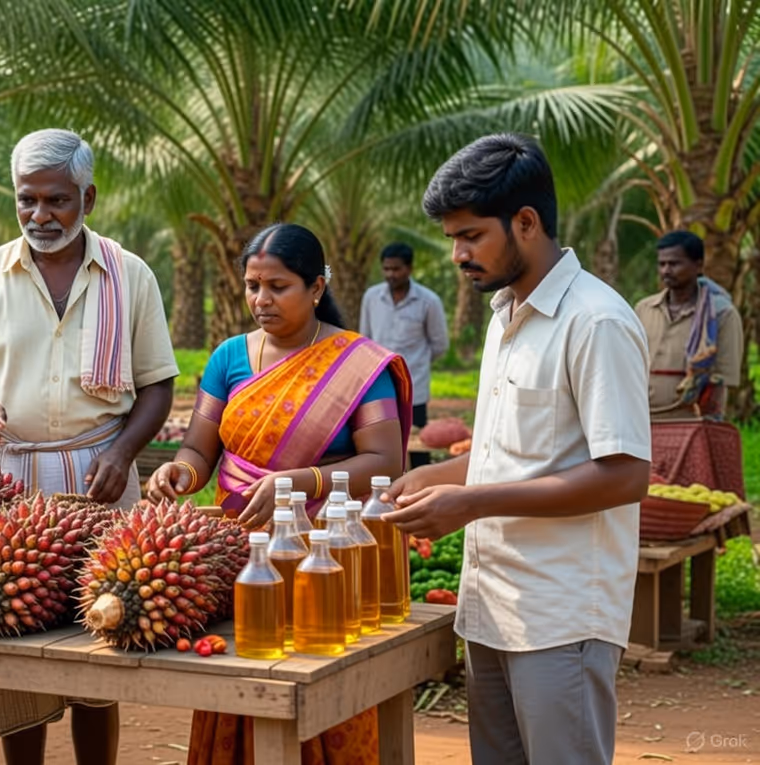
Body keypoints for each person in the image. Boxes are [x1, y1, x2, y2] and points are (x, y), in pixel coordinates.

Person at [382, 134, 651, 765]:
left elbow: (624, 476)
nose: (457, 254)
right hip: (491, 606)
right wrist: (434, 478)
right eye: (452, 238)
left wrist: (471, 504)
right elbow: (509, 452)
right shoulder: (505, 315)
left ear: (526, 223)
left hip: (561, 614)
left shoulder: (596, 322)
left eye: (471, 236)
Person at [0, 128, 179, 765]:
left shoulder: (130, 275)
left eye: (57, 200)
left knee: (102, 637)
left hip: (102, 478)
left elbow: (158, 385)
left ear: (87, 198)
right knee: (12, 642)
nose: (40, 215)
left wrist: (123, 453)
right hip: (10, 482)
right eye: (27, 200)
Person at [147, 222, 413, 765]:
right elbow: (199, 450)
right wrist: (179, 473)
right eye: (252, 286)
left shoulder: (356, 366)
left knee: (324, 685)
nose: (261, 300)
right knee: (243, 679)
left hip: (329, 555)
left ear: (316, 287)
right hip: (245, 556)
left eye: (278, 286)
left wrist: (299, 483)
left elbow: (385, 461)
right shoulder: (229, 357)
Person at [634, 230, 742, 420]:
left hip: (692, 420)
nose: (666, 270)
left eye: (674, 264)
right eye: (662, 264)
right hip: (642, 419)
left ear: (698, 266)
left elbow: (724, 377)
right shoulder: (644, 309)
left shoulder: (721, 314)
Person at [359, 242, 449, 466]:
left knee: (419, 446)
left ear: (409, 268)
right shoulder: (371, 297)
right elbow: (365, 339)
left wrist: (417, 364)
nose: (391, 274)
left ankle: (421, 484)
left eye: (396, 269)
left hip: (415, 387)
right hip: (380, 384)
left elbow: (439, 344)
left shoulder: (429, 301)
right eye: (386, 269)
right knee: (380, 444)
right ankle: (385, 485)